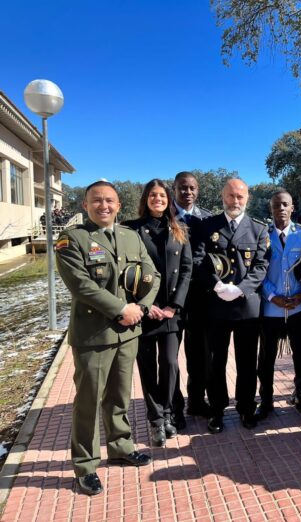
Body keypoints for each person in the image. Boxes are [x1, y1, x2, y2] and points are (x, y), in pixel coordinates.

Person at [55, 180, 160, 496]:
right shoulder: (72, 239)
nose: (104, 206)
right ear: (85, 205)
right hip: (94, 334)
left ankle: (120, 446)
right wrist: (120, 310)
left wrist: (140, 307)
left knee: (119, 395)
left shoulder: (130, 236)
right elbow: (81, 285)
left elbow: (150, 275)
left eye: (110, 201)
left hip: (128, 333)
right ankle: (85, 467)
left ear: (118, 205)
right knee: (88, 402)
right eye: (97, 201)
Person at [192, 178, 269, 432]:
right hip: (216, 307)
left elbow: (261, 265)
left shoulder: (258, 228)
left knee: (247, 362)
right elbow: (200, 258)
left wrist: (240, 289)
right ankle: (216, 410)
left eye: (240, 196)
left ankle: (246, 408)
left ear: (248, 197)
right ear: (222, 196)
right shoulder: (207, 225)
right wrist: (216, 285)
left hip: (247, 307)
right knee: (216, 361)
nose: (235, 201)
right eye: (230, 196)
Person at [123, 180, 192, 447]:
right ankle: (156, 420)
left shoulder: (180, 229)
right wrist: (143, 305)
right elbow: (126, 273)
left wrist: (174, 305)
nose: (158, 199)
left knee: (170, 364)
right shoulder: (131, 230)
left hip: (170, 311)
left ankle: (168, 412)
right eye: (153, 195)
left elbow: (186, 270)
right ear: (145, 199)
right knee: (147, 368)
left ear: (169, 200)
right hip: (144, 310)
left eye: (162, 195)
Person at [255, 190, 301, 421]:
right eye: (276, 205)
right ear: (270, 209)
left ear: (293, 208)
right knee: (266, 357)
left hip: (299, 307)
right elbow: (257, 273)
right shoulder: (262, 235)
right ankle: (266, 399)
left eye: (285, 205)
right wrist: (272, 297)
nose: (280, 209)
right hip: (271, 308)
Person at [171, 171, 212, 426]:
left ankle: (196, 401)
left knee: (199, 354)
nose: (188, 192)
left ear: (198, 191)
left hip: (199, 300)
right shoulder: (165, 217)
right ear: (174, 189)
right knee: (169, 357)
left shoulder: (206, 218)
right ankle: (173, 407)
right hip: (171, 299)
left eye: (192, 188)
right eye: (183, 188)